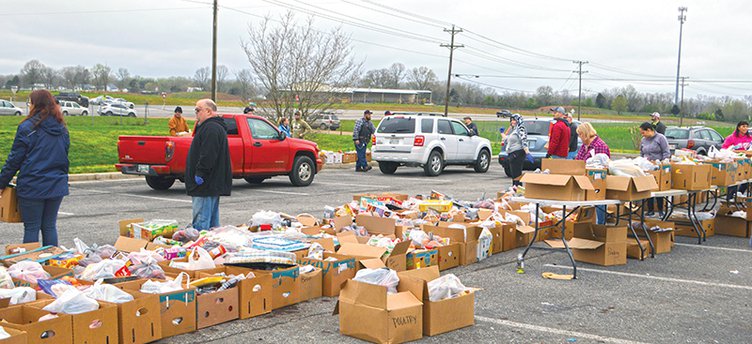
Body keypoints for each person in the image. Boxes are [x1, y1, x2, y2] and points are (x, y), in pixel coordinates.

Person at [0, 89, 70, 246]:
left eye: (30, 102)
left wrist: (2, 182)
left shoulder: (27, 128)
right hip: (56, 183)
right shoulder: (62, 128)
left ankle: (32, 266)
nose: (29, 105)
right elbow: (64, 155)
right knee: (49, 226)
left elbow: (14, 160)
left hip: (33, 184)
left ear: (35, 105)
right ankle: (51, 262)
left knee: (31, 227)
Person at [185, 99, 232, 231]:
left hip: (205, 185)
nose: (196, 113)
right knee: (212, 225)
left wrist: (201, 173)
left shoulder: (211, 128)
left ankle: (201, 248)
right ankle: (211, 246)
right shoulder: (212, 127)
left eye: (198, 110)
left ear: (209, 111)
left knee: (202, 224)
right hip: (210, 184)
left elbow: (208, 154)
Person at [575, 123, 610, 224]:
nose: (579, 137)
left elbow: (601, 166)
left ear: (585, 133)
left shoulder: (599, 146)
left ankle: (600, 225)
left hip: (597, 181)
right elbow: (579, 161)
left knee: (598, 201)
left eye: (580, 134)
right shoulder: (585, 146)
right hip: (585, 179)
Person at [639, 122, 670, 216]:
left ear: (649, 130)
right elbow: (641, 152)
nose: (642, 135)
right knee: (648, 188)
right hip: (647, 167)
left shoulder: (660, 138)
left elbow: (666, 152)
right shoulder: (643, 140)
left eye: (643, 132)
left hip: (658, 167)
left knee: (658, 189)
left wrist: (662, 164)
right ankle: (650, 210)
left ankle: (660, 210)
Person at [723, 121, 752, 198]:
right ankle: (729, 198)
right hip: (734, 162)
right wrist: (736, 151)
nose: (745, 128)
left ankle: (739, 194)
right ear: (738, 127)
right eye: (743, 126)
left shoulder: (749, 138)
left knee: (746, 180)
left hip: (746, 163)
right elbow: (723, 149)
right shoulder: (731, 138)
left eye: (746, 126)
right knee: (733, 181)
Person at [502, 114, 528, 186]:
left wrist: (527, 152)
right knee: (513, 175)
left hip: (518, 153)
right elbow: (508, 140)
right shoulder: (514, 130)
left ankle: (518, 190)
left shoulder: (521, 128)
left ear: (518, 120)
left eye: (514, 120)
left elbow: (524, 140)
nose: (512, 122)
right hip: (512, 153)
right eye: (511, 120)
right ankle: (515, 189)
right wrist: (502, 133)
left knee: (516, 175)